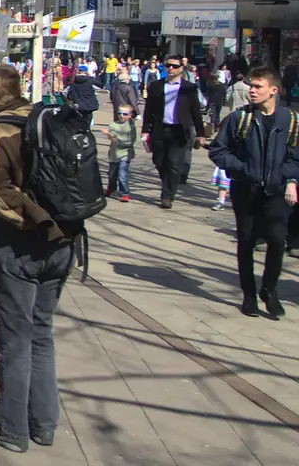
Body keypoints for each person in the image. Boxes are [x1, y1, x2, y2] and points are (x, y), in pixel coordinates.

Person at [0, 64, 79, 452]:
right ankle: (44, 423)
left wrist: (28, 220)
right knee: (42, 334)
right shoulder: (47, 120)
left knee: (15, 342)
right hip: (63, 241)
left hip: (21, 244)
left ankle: (13, 429)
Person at [208, 66, 299, 318]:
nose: (252, 91)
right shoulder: (241, 118)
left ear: (274, 90)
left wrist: (286, 177)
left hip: (275, 191)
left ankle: (269, 289)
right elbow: (217, 150)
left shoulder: (290, 120)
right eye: (251, 86)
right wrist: (243, 169)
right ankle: (249, 295)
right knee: (246, 241)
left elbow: (295, 156)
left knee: (278, 240)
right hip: (245, 191)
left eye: (258, 86)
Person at [142, 54, 207, 209]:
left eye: (175, 66)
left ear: (181, 68)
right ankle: (167, 185)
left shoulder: (189, 88)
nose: (171, 68)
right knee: (159, 162)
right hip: (159, 129)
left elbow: (196, 113)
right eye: (168, 65)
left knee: (174, 164)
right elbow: (148, 109)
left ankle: (167, 196)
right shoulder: (156, 86)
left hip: (179, 131)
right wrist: (145, 130)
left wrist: (201, 134)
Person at [107, 104, 137, 202]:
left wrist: (115, 139)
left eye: (125, 114)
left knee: (122, 174)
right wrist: (111, 137)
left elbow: (130, 142)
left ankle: (124, 193)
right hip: (114, 154)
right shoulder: (113, 124)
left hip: (125, 153)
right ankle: (111, 188)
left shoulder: (131, 127)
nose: (121, 115)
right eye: (119, 113)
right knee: (112, 174)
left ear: (130, 115)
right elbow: (112, 136)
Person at [65, 63, 99, 128]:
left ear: (78, 71)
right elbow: (99, 86)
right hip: (89, 105)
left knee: (77, 121)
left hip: (77, 105)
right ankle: (86, 132)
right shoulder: (90, 81)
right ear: (86, 71)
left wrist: (68, 99)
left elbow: (64, 92)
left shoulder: (72, 81)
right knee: (88, 121)